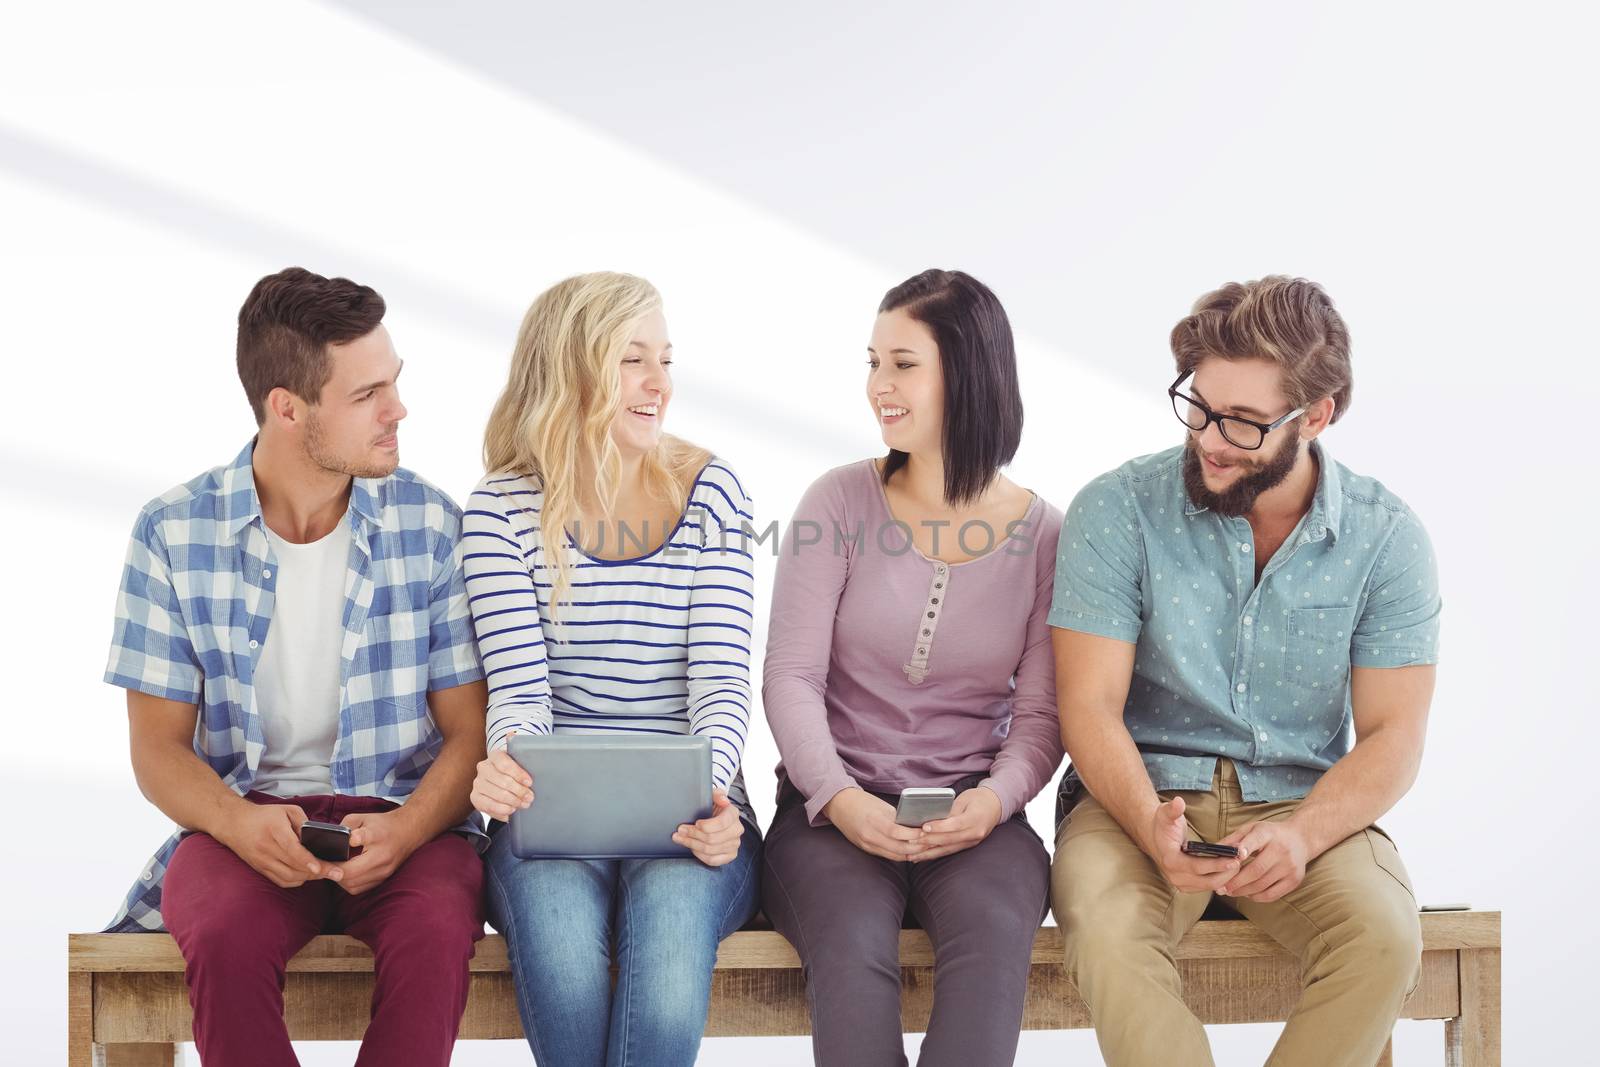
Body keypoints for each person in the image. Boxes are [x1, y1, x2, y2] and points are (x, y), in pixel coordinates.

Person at [1049, 275, 1441, 1066]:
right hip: (1139, 794)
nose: (1211, 437)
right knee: (1109, 928)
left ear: (1318, 415)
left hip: (1307, 804)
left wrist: (1303, 833)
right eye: (1198, 404)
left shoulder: (1387, 538)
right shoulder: (1116, 508)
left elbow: (1395, 735)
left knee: (1385, 937)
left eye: (1244, 422)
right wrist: (1145, 817)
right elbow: (1088, 705)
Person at [103, 267, 489, 1067]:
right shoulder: (173, 532)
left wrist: (409, 827)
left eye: (396, 383)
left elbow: (470, 729)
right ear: (288, 407)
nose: (398, 410)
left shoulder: (431, 523)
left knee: (437, 929)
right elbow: (157, 748)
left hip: (404, 823)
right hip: (246, 820)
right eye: (367, 394)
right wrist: (238, 822)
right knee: (220, 931)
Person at [761, 269, 1064, 1066]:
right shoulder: (836, 502)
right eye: (872, 362)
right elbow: (791, 676)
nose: (877, 387)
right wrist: (840, 798)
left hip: (979, 820)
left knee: (994, 943)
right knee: (855, 947)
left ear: (966, 373)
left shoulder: (1045, 536)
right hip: (831, 814)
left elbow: (1039, 719)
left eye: (902, 364)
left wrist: (993, 802)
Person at [463, 271, 760, 1067]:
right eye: (633, 359)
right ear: (575, 370)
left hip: (696, 812)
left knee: (664, 980)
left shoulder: (713, 492)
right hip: (553, 817)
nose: (659, 383)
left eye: (664, 358)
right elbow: (520, 691)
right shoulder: (499, 510)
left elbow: (722, 684)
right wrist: (510, 764)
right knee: (564, 972)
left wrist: (714, 790)